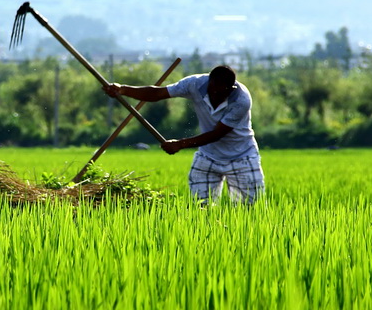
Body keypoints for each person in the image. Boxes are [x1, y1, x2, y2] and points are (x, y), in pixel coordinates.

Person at [104, 65, 264, 205]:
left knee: (249, 210)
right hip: (208, 156)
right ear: (209, 83)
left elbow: (217, 134)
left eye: (220, 93)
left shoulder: (241, 100)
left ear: (230, 89)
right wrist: (123, 89)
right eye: (212, 90)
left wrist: (180, 144)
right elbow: (157, 94)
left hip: (241, 157)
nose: (215, 95)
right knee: (200, 209)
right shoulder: (194, 84)